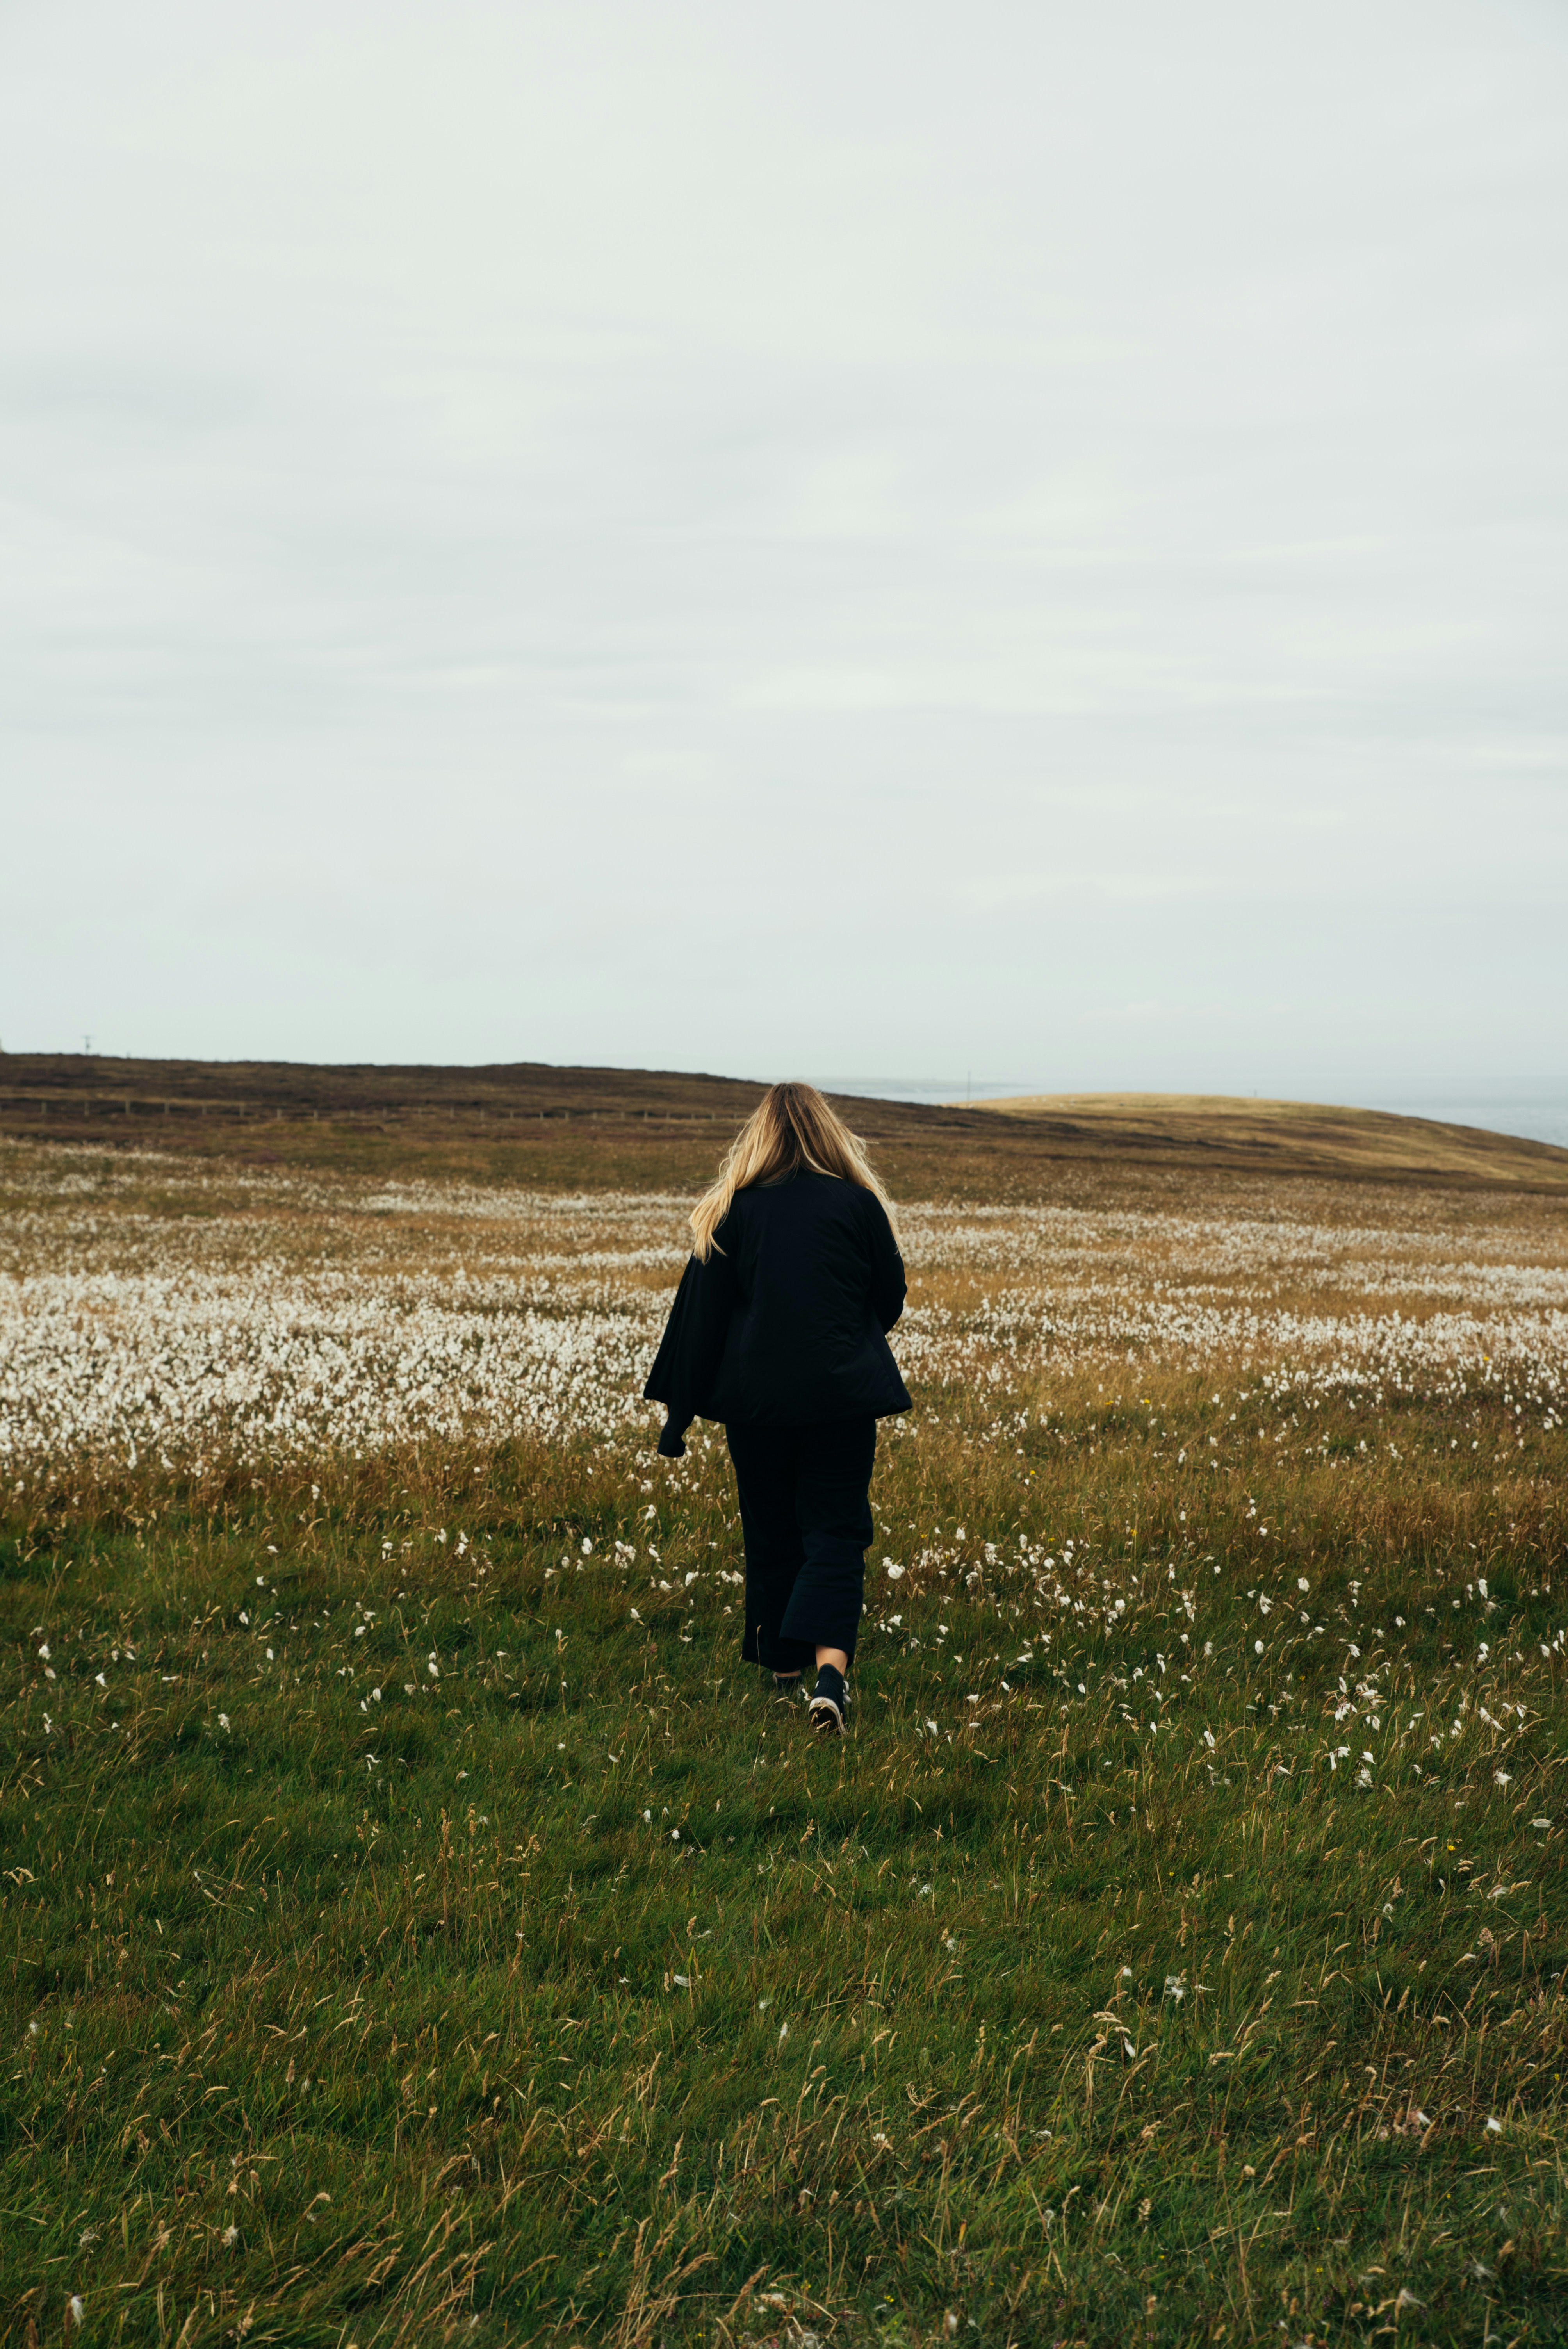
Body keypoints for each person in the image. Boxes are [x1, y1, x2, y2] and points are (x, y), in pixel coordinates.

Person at [643, 1082, 911, 1736]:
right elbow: (891, 1297)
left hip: (756, 1406)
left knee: (770, 1530)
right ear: (828, 1133)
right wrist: (844, 1337)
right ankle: (830, 1679)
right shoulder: (858, 1204)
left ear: (760, 1136)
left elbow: (699, 1321)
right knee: (836, 1531)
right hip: (842, 1398)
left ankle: (781, 1672)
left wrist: (677, 1418)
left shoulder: (733, 1211)